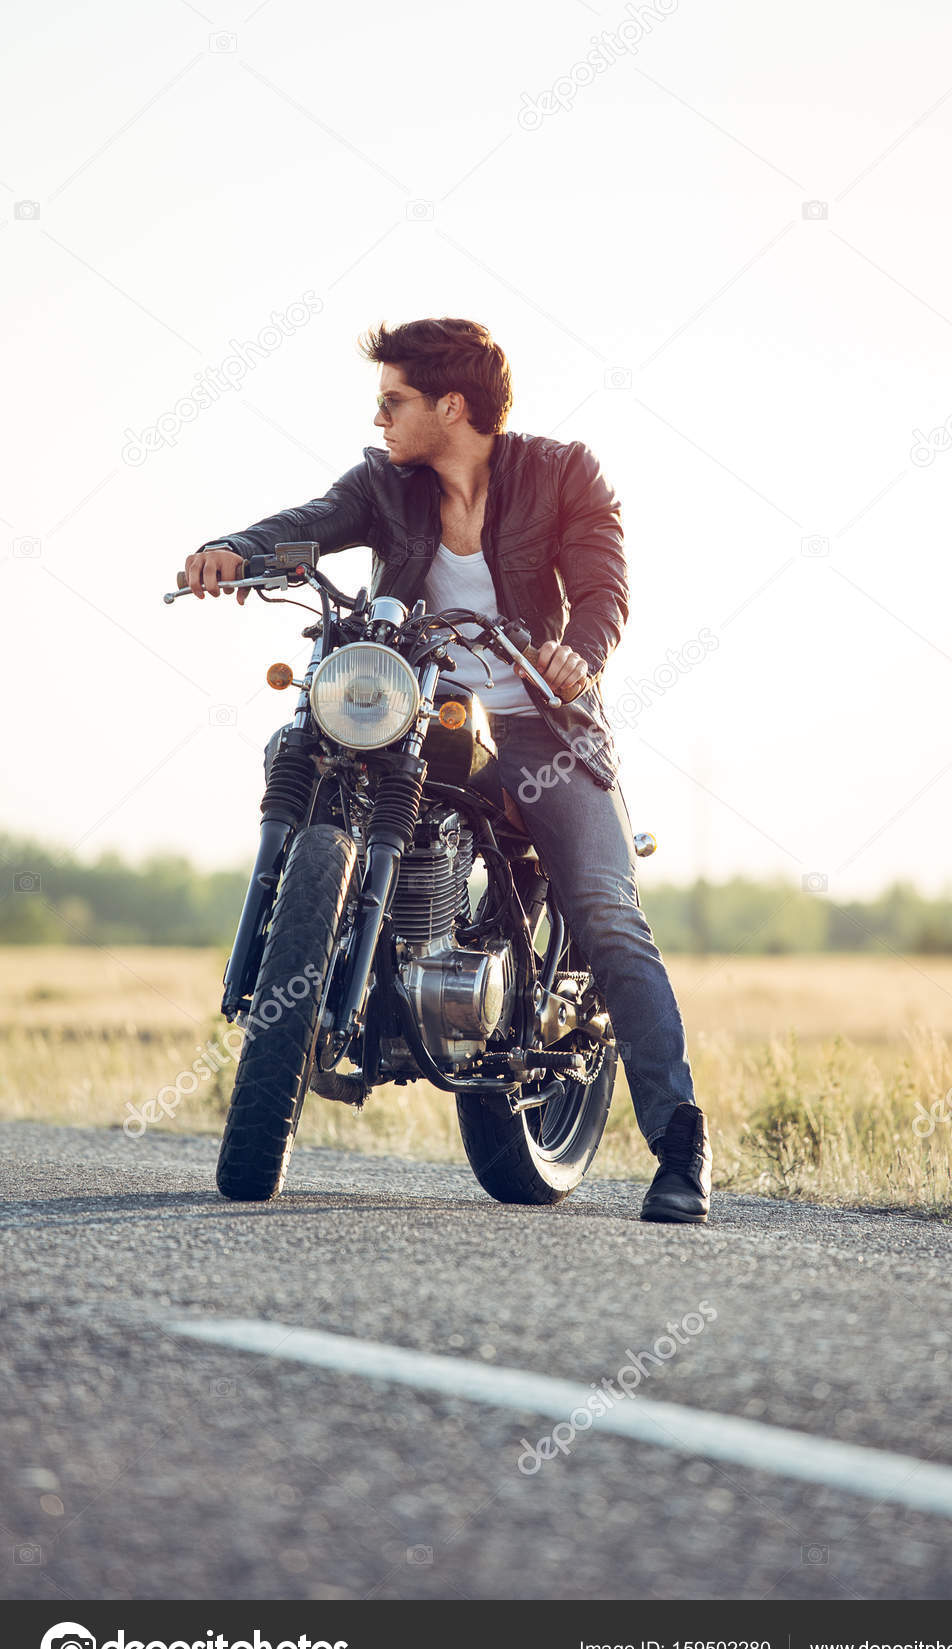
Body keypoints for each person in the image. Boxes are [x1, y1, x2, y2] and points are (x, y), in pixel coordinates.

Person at [183, 317, 712, 1224]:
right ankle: (310, 969)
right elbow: (308, 526)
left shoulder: (561, 472)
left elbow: (601, 589)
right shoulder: (385, 486)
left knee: (603, 908)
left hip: (543, 726)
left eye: (394, 400)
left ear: (451, 405)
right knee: (297, 744)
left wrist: (579, 654)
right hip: (416, 707)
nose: (380, 416)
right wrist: (235, 548)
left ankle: (680, 1146)